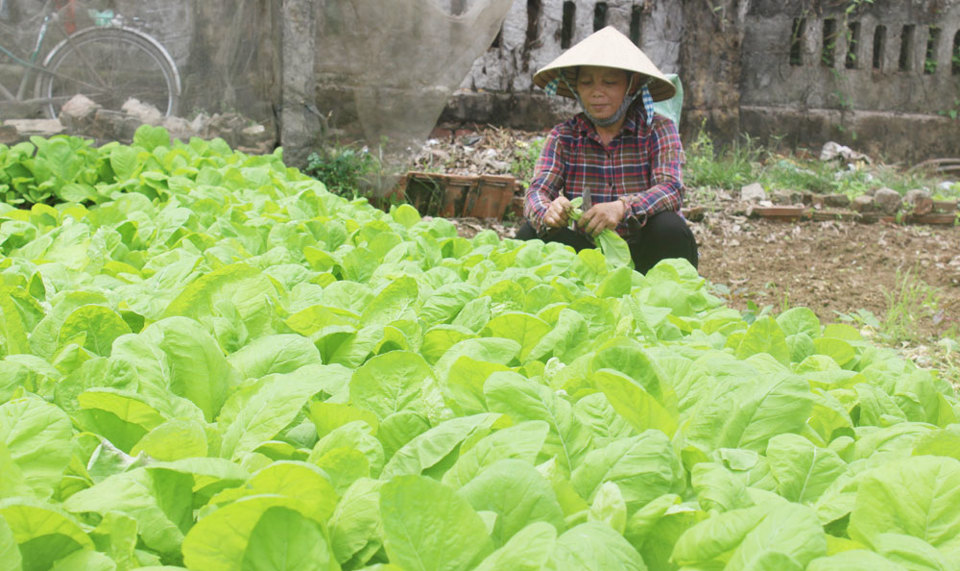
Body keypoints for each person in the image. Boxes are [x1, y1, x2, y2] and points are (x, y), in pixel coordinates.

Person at [516, 26, 699, 274]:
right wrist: (548, 211)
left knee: (670, 227)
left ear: (631, 85)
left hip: (645, 249)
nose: (597, 92)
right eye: (587, 83)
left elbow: (671, 189)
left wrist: (622, 208)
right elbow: (536, 191)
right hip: (587, 256)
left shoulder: (657, 129)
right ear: (576, 88)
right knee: (531, 233)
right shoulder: (565, 136)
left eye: (610, 82)